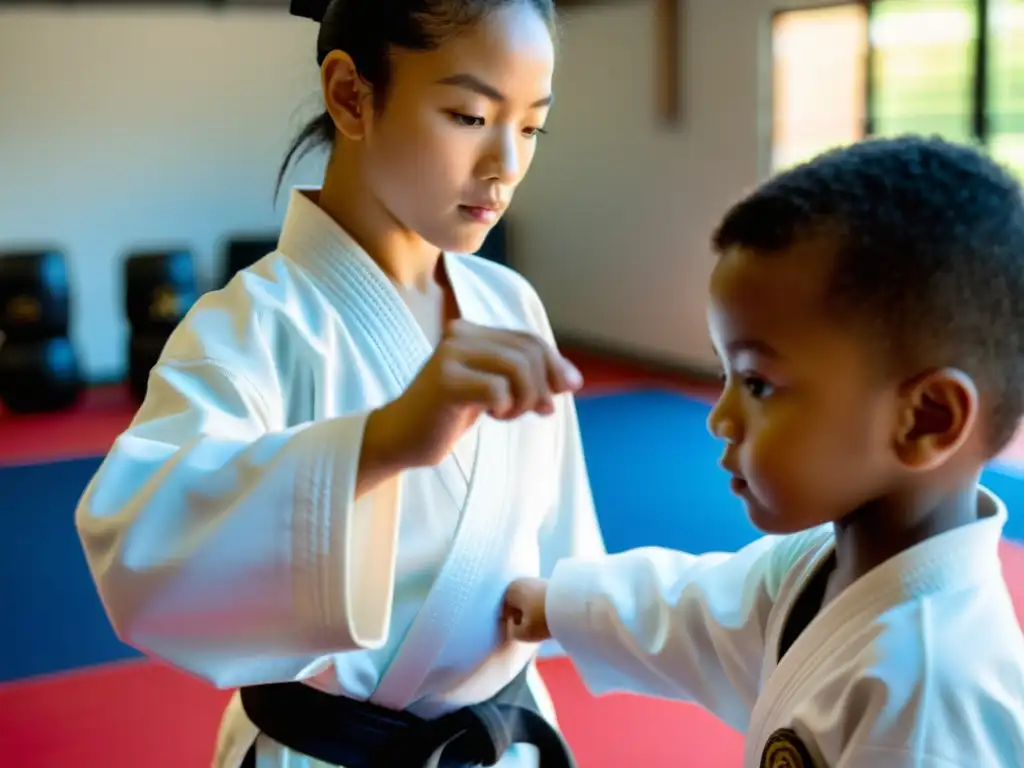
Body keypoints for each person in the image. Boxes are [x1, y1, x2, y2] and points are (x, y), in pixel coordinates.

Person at [74, 0, 605, 766]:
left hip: (502, 745)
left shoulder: (511, 306)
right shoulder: (253, 327)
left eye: (530, 127)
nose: (507, 165)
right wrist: (376, 444)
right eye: (468, 115)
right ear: (351, 95)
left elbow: (552, 565)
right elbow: (135, 551)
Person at [503, 136, 1024, 767]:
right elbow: (702, 611)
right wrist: (557, 605)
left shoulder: (931, 699)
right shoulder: (820, 566)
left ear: (926, 419)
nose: (720, 418)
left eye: (757, 384)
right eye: (723, 377)